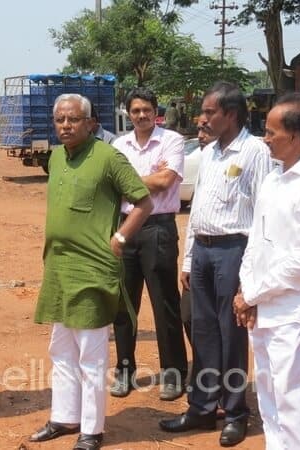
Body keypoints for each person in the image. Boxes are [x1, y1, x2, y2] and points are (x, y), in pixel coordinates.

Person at [30, 94, 152, 450]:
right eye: (59, 120)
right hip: (58, 266)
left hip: (93, 268)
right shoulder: (54, 158)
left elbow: (144, 201)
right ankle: (64, 417)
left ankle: (91, 430)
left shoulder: (108, 157)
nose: (65, 126)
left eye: (73, 120)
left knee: (91, 352)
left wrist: (120, 237)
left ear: (91, 123)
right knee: (61, 348)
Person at [159, 81, 273, 447]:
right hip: (205, 252)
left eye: (210, 112)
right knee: (203, 330)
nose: (203, 118)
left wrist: (250, 272)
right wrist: (190, 259)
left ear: (232, 114)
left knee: (232, 334)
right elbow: (195, 213)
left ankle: (236, 412)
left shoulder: (254, 151)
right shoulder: (208, 154)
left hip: (234, 251)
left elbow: (262, 215)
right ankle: (202, 408)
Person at [233, 93, 300, 450]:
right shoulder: (272, 181)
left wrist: (253, 293)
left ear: (295, 136)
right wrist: (247, 292)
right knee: (266, 391)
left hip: (290, 308)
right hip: (260, 306)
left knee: (291, 393)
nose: (264, 138)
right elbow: (256, 243)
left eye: (271, 132)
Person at [111, 87, 188, 401]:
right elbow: (114, 185)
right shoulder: (118, 145)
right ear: (128, 113)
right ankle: (124, 371)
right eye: (135, 110)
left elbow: (166, 181)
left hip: (158, 228)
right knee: (124, 306)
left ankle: (174, 373)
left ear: (156, 111)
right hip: (126, 228)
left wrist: (127, 181)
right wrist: (147, 178)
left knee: (165, 303)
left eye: (146, 110)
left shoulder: (172, 140)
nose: (141, 115)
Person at [180, 115, 218, 344]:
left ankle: (221, 375)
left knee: (221, 320)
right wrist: (187, 262)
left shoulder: (248, 157)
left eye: (207, 130)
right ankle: (206, 367)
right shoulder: (205, 160)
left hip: (229, 252)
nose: (201, 136)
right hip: (199, 253)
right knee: (189, 315)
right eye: (199, 130)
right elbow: (195, 216)